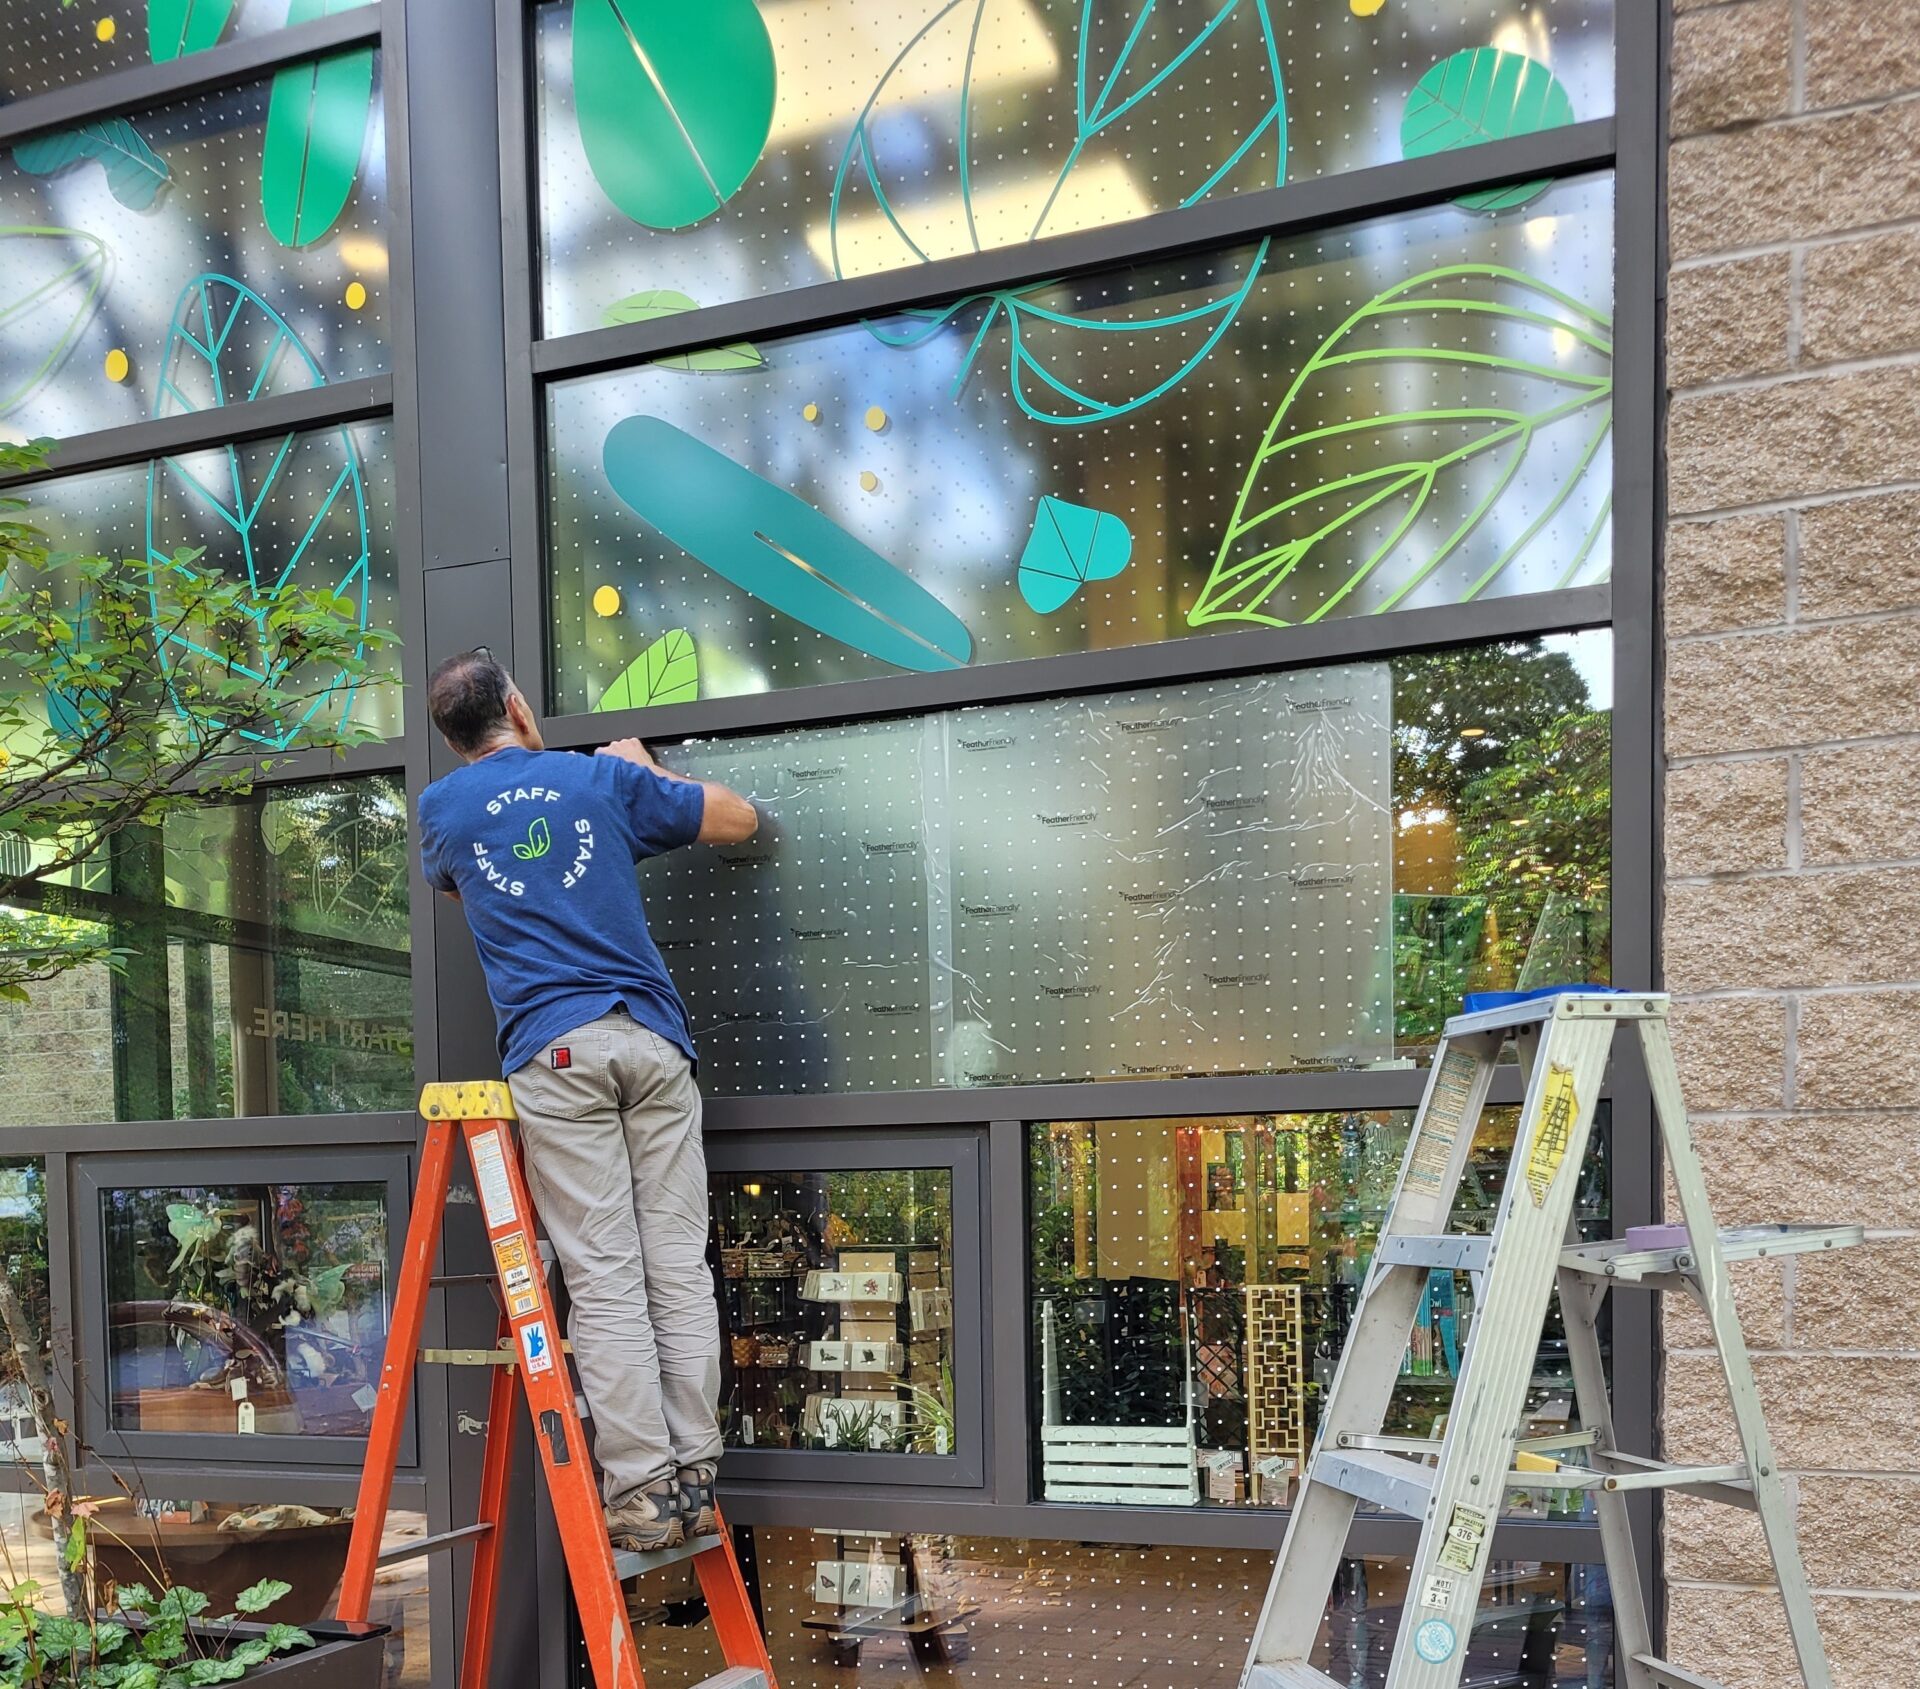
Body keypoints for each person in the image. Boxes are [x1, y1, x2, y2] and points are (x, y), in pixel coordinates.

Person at [416, 647, 757, 1552]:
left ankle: (641, 1490)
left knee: (605, 1276)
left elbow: (465, 884)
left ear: (452, 738)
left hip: (555, 1052)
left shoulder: (443, 810)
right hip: (651, 1041)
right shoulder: (596, 779)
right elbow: (739, 817)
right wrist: (643, 772)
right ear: (519, 706)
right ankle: (693, 1472)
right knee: (676, 1266)